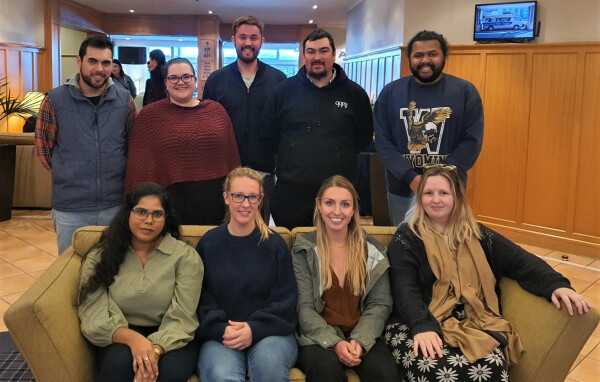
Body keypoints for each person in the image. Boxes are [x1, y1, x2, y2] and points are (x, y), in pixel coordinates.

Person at [383, 164, 591, 381]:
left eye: (444, 193)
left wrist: (556, 285)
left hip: (471, 319)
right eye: (428, 193)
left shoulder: (477, 234)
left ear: (457, 198)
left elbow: (521, 261)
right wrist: (422, 326)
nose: (436, 199)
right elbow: (403, 289)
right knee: (438, 370)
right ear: (419, 197)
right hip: (414, 321)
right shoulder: (406, 238)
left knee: (491, 366)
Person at [77, 182, 203, 382]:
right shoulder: (101, 255)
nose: (148, 220)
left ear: (166, 218)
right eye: (141, 212)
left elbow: (183, 316)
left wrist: (154, 349)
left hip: (173, 337)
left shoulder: (185, 257)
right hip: (120, 333)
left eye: (157, 214)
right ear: (128, 213)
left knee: (168, 375)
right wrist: (134, 340)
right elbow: (94, 313)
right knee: (116, 370)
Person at [260, 29, 373, 229]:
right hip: (292, 192)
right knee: (294, 249)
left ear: (333, 55)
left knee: (336, 248)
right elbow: (268, 135)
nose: (317, 57)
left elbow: (363, 137)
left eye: (323, 51)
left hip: (338, 191)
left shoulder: (354, 94)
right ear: (304, 55)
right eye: (311, 51)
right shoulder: (283, 92)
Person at [35, 34, 136, 255]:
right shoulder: (54, 100)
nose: (99, 68)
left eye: (106, 63)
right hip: (71, 208)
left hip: (114, 205)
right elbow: (44, 150)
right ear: (79, 61)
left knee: (113, 271)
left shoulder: (124, 99)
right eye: (92, 61)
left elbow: (131, 145)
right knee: (71, 272)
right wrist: (70, 170)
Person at [292, 175, 399, 382]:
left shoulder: (373, 250)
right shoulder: (304, 249)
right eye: (330, 203)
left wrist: (360, 340)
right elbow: (304, 307)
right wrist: (335, 343)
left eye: (345, 204)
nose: (337, 212)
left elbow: (380, 304)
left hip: (362, 334)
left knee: (384, 374)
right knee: (326, 372)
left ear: (353, 209)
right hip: (318, 339)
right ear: (319, 205)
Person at [195, 167, 298, 382]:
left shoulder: (275, 246)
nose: (245, 204)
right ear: (226, 197)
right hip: (220, 334)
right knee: (220, 374)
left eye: (252, 197)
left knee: (269, 368)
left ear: (260, 200)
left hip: (271, 333)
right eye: (238, 196)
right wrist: (222, 328)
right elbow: (199, 298)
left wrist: (254, 328)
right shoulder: (209, 244)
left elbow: (285, 301)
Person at [374, 30, 484, 226]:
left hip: (448, 189)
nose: (425, 60)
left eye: (432, 54)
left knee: (447, 246)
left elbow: (471, 142)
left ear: (444, 57)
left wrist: (439, 181)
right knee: (406, 245)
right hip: (402, 188)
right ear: (409, 59)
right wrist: (412, 179)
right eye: (418, 55)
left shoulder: (465, 92)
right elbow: (383, 142)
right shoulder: (390, 93)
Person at [125, 57, 240, 225]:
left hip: (215, 200)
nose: (181, 82)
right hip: (168, 201)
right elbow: (139, 167)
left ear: (194, 79)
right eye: (174, 78)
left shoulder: (216, 111)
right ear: (165, 82)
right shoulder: (151, 116)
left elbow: (231, 157)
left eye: (186, 76)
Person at [203, 15, 286, 224]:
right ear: (233, 40)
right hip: (225, 172)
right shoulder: (216, 80)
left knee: (260, 230)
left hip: (265, 171)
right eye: (242, 37)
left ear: (262, 41)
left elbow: (284, 125)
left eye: (253, 37)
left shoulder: (278, 80)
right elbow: (206, 124)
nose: (248, 43)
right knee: (225, 228)